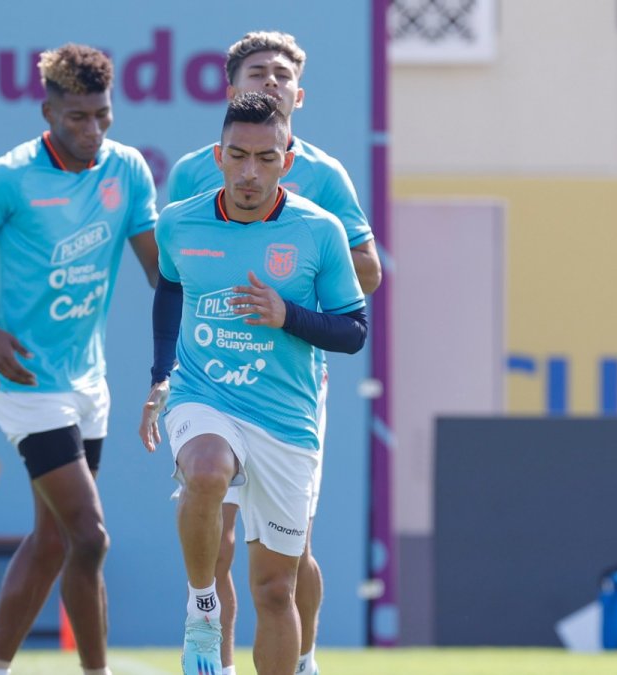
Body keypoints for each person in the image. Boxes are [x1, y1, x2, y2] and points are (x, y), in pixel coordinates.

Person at [0, 43, 159, 675]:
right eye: (78, 117)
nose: (93, 130)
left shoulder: (128, 170)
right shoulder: (6, 177)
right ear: (48, 110)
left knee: (55, 539)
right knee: (90, 534)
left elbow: (160, 274)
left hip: (90, 385)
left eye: (103, 116)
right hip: (27, 382)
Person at [165, 31, 381, 675]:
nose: (271, 83)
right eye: (258, 72)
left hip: (292, 380)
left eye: (283, 75)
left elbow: (361, 279)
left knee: (284, 565)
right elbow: (175, 277)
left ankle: (303, 654)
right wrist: (162, 372)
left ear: (299, 96)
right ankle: (212, 648)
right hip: (211, 378)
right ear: (232, 91)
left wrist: (292, 306)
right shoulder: (192, 179)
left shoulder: (322, 185)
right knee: (214, 506)